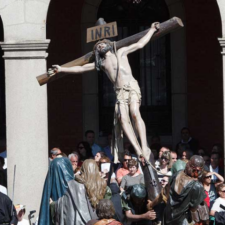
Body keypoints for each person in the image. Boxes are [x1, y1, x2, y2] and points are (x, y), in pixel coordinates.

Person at [48, 22, 160, 163]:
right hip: (120, 92)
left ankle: (144, 146)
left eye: (102, 43)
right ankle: (138, 151)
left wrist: (151, 30)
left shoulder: (121, 52)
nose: (100, 45)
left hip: (131, 86)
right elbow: (80, 69)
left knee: (135, 112)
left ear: (109, 44)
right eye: (97, 46)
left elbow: (140, 44)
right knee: (123, 120)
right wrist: (62, 69)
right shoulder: (101, 64)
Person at [51, 159, 107, 225]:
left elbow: (65, 204)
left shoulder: (74, 185)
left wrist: (53, 204)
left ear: (82, 170)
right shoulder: (103, 185)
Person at [164, 155, 209, 225]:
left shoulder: (178, 173)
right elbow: (193, 208)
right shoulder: (197, 186)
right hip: (181, 220)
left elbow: (167, 191)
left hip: (168, 216)